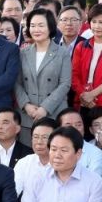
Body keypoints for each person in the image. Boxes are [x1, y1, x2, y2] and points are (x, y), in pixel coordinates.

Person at [16, 9, 70, 146]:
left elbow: (65, 84)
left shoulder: (62, 53)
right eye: (32, 25)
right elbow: (17, 83)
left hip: (54, 113)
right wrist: (26, 105)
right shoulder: (23, 53)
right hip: (28, 114)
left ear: (50, 27)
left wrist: (45, 108)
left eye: (41, 25)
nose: (36, 29)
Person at [57, 109, 102, 177]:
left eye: (78, 125)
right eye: (68, 125)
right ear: (58, 129)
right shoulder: (52, 151)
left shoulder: (96, 153)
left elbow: (92, 181)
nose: (74, 129)